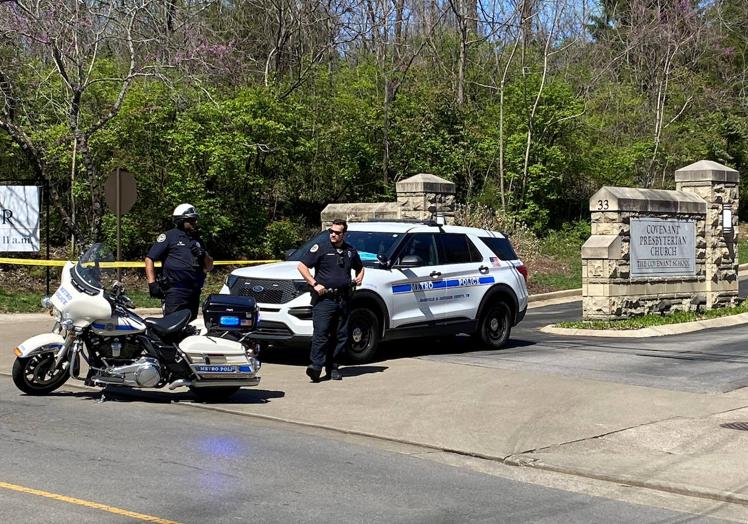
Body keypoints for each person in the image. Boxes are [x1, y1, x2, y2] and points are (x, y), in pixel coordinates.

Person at [298, 219, 364, 382]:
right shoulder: (321, 247)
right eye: (331, 232)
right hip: (324, 299)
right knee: (321, 333)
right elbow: (302, 266)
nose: (333, 235)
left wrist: (359, 278)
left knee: (340, 335)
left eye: (337, 233)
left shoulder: (350, 251)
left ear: (344, 234)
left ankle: (333, 367)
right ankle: (315, 367)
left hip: (343, 298)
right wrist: (314, 283)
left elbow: (360, 267)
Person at [145, 203, 213, 321]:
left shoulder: (198, 240)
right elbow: (149, 258)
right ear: (181, 220)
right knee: (172, 323)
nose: (195, 223)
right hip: (175, 291)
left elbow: (209, 266)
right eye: (191, 220)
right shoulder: (169, 237)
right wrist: (152, 283)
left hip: (193, 290)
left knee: (189, 322)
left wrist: (203, 254)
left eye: (195, 220)